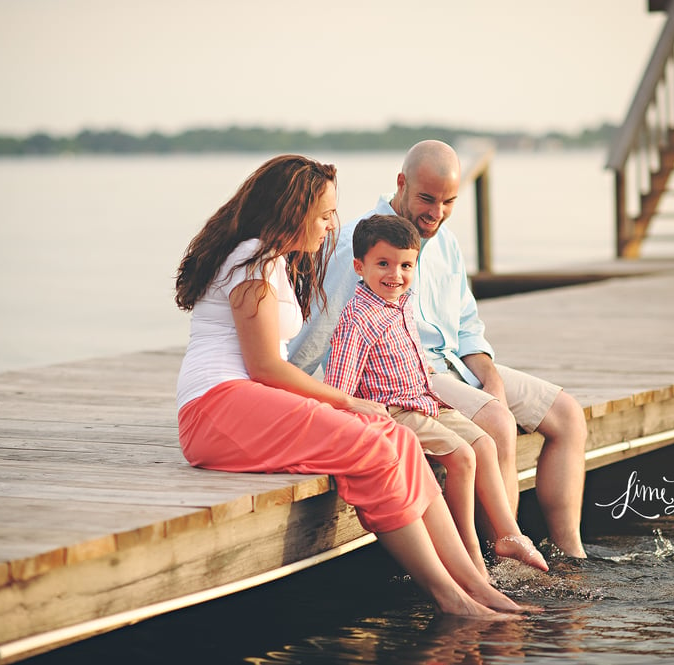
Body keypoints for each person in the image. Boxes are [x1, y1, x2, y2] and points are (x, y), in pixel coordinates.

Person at [174, 154, 529, 617]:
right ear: (292, 211)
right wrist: (349, 401)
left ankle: (477, 588)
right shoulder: (251, 263)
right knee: (377, 447)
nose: (330, 226)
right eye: (323, 215)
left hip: (245, 405)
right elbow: (264, 367)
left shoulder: (273, 262)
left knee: (398, 439)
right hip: (217, 410)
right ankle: (450, 599)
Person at [288, 141, 588, 558]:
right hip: (416, 374)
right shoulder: (364, 245)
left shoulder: (445, 241)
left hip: (461, 367)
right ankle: (502, 556)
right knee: (497, 424)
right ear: (401, 183)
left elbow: (467, 326)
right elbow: (323, 328)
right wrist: (280, 384)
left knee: (569, 415)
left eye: (448, 201)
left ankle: (571, 555)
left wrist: (491, 375)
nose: (437, 212)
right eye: (427, 198)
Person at [323, 214, 549, 575]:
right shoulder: (357, 320)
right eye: (383, 264)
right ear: (358, 266)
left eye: (406, 265)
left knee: (485, 445)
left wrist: (417, 367)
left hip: (424, 398)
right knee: (462, 456)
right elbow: (339, 388)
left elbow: (408, 348)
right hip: (395, 410)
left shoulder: (403, 301)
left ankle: (508, 534)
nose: (395, 275)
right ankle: (469, 553)